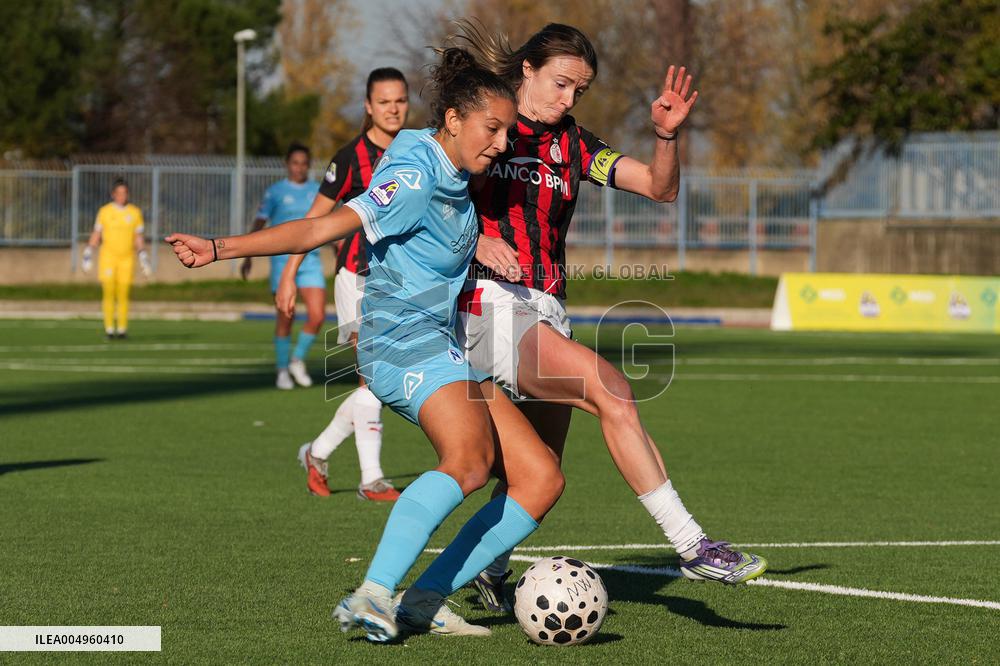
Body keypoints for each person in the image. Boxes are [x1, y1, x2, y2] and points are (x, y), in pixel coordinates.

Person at [166, 48, 564, 643]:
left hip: (444, 342)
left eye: (508, 130)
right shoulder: (414, 175)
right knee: (470, 461)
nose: (504, 143)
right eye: (493, 128)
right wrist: (220, 248)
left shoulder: (455, 175)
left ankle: (424, 600)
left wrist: (476, 241)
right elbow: (319, 227)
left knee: (539, 478)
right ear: (453, 119)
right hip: (400, 342)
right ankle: (374, 592)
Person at [448, 22, 767, 607]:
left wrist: (666, 137)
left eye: (579, 91)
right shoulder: (487, 124)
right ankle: (692, 545)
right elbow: (425, 202)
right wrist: (474, 244)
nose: (567, 100)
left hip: (546, 310)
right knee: (613, 390)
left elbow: (657, 188)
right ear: (527, 70)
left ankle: (485, 572)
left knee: (537, 472)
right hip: (486, 307)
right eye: (561, 84)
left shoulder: (574, 144)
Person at [282, 68, 410, 501]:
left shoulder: (417, 150)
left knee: (382, 382)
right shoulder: (350, 157)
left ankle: (317, 452)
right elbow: (314, 222)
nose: (393, 108)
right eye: (385, 101)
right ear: (368, 107)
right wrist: (289, 274)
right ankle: (371, 479)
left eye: (400, 100)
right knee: (372, 381)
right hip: (356, 279)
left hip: (400, 283)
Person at [240, 143, 323, 390]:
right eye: (295, 163)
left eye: (304, 163)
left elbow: (327, 223)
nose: (299, 168)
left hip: (311, 260)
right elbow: (260, 221)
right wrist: (247, 254)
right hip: (282, 262)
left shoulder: (317, 191)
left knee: (317, 315)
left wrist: (338, 246)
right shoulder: (276, 191)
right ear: (288, 164)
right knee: (286, 316)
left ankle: (297, 359)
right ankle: (282, 370)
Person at [82, 178, 151, 339]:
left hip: (127, 258)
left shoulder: (134, 212)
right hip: (108, 257)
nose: (122, 196)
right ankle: (109, 329)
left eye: (124, 193)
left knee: (123, 292)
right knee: (108, 291)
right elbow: (97, 234)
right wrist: (88, 252)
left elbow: (138, 236)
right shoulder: (105, 211)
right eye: (119, 193)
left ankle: (122, 329)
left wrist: (143, 255)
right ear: (113, 194)